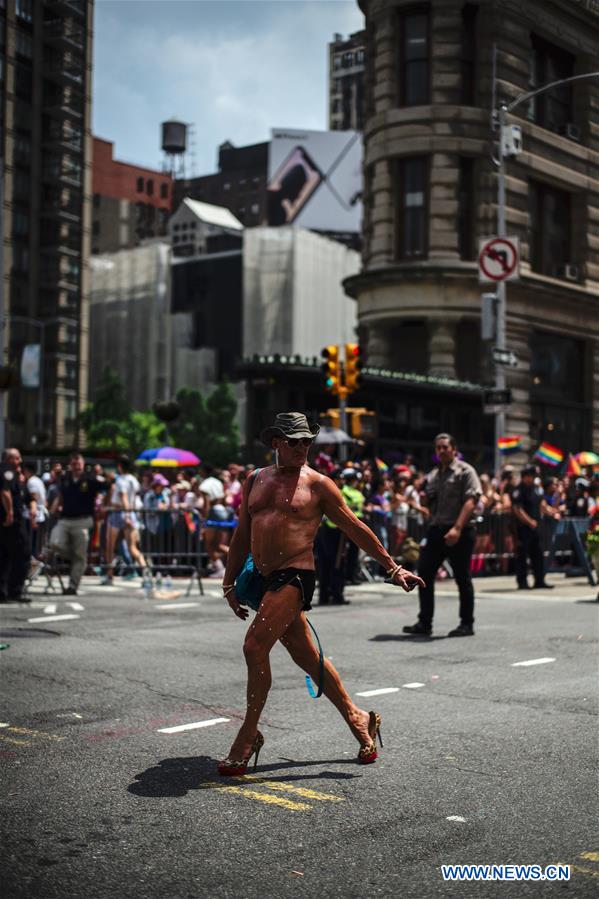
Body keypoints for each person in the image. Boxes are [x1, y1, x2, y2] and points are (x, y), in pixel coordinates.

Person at [218, 412, 424, 775]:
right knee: (307, 657)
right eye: (294, 441)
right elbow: (241, 533)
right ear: (276, 443)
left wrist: (393, 567)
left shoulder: (318, 485)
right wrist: (229, 582)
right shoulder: (255, 480)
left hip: (295, 576)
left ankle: (248, 734)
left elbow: (355, 527)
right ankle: (359, 718)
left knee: (254, 646)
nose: (302, 448)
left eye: (306, 442)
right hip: (262, 579)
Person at [403, 433, 482, 638]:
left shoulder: (466, 471)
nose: (441, 450)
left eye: (445, 447)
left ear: (454, 449)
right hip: (436, 530)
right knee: (424, 575)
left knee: (462, 578)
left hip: (460, 531)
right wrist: (422, 498)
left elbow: (471, 501)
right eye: (438, 448)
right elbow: (429, 503)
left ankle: (467, 623)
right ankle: (424, 622)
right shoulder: (433, 475)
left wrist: (457, 528)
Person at [50, 453, 104, 595]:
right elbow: (61, 495)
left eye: (79, 463)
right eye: (74, 464)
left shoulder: (90, 479)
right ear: (70, 465)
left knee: (80, 555)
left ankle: (72, 586)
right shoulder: (65, 479)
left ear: (83, 464)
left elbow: (109, 486)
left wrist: (104, 507)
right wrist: (54, 508)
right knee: (55, 543)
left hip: (83, 521)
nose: (76, 466)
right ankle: (76, 557)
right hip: (65, 520)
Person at [511, 464, 560, 590]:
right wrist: (529, 521)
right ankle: (522, 582)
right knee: (522, 555)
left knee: (538, 554)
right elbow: (518, 509)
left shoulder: (536, 489)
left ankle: (539, 580)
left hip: (536, 527)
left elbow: (542, 504)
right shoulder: (519, 490)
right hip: (523, 528)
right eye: (530, 476)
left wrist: (552, 512)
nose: (531, 478)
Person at [101, 456, 147, 585]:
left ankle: (110, 576)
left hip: (119, 513)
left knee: (110, 547)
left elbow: (124, 498)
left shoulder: (121, 480)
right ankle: (145, 571)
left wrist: (126, 515)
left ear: (120, 466)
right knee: (132, 547)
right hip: (130, 513)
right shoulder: (133, 480)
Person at [0, 448, 30, 603]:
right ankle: (14, 591)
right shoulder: (8, 472)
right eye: (16, 458)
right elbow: (5, 492)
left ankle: (2, 592)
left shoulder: (14, 474)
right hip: (11, 522)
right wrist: (10, 513)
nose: (19, 461)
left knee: (4, 556)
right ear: (8, 459)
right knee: (22, 554)